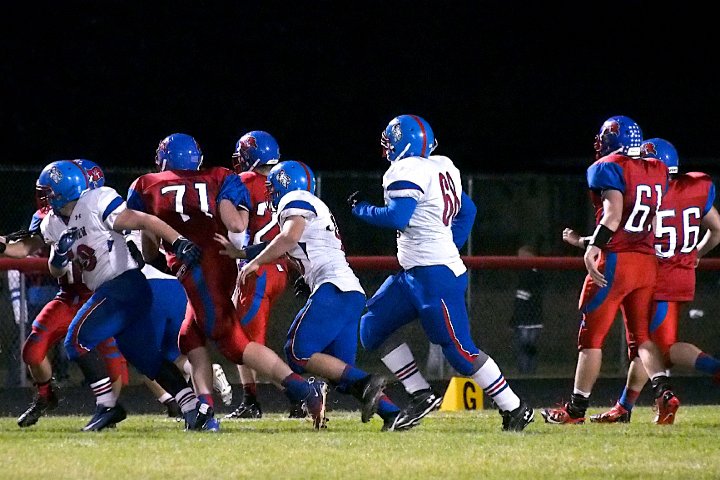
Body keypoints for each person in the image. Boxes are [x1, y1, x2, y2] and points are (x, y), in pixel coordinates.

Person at [126, 133, 327, 429]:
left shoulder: (145, 184)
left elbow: (149, 252)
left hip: (198, 267)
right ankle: (205, 408)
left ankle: (303, 390)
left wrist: (157, 231)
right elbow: (236, 225)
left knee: (235, 345)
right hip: (220, 262)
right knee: (189, 337)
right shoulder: (220, 176)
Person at [349, 114, 534, 431]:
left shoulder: (406, 170)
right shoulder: (441, 166)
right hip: (413, 274)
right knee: (371, 327)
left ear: (404, 143)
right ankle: (421, 394)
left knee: (460, 352)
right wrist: (451, 244)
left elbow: (397, 217)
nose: (387, 147)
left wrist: (361, 209)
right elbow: (468, 210)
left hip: (436, 278)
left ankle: (515, 408)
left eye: (391, 140)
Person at [217, 160, 411, 431]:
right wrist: (243, 253)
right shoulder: (312, 204)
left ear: (285, 184)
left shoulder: (295, 199)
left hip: (334, 288)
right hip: (350, 292)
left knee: (297, 352)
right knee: (342, 375)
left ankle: (367, 382)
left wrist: (255, 263)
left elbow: (289, 237)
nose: (270, 193)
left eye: (272, 187)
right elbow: (292, 243)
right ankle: (393, 414)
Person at [35, 159, 210, 431]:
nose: (45, 197)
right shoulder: (52, 224)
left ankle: (107, 406)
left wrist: (178, 241)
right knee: (146, 358)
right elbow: (55, 270)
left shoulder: (96, 201)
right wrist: (59, 254)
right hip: (114, 291)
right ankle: (191, 408)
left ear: (63, 190)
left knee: (76, 340)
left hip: (125, 284)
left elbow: (144, 219)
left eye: (48, 191)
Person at [541, 115, 680, 425]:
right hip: (646, 262)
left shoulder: (607, 166)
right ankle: (665, 393)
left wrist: (593, 247)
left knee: (590, 339)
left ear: (611, 140)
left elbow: (614, 215)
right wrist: (586, 241)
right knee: (641, 338)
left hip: (616, 262)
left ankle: (576, 409)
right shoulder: (657, 168)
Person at [589, 138, 720, 423]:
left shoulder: (649, 195)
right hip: (682, 275)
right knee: (646, 346)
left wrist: (587, 243)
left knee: (661, 349)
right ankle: (624, 407)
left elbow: (622, 229)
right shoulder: (695, 187)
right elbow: (717, 229)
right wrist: (696, 254)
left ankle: (714, 369)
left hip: (657, 276)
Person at [1, 160, 129, 428]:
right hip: (69, 296)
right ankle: (45, 396)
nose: (46, 198)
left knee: (120, 359)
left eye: (51, 191)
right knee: (33, 351)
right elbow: (23, 248)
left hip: (100, 294)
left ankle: (163, 401)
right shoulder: (49, 219)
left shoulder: (101, 211)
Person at [222, 130, 294, 420]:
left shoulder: (244, 181)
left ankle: (301, 392)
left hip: (256, 269)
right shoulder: (287, 180)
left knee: (245, 345)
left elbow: (237, 231)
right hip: (280, 268)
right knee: (246, 341)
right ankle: (254, 399)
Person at [511, 245, 544, 375]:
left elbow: (525, 298)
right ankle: (525, 373)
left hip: (532, 318)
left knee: (527, 347)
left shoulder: (534, 274)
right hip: (523, 319)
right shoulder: (523, 274)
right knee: (522, 347)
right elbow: (520, 300)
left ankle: (528, 373)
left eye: (522, 256)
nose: (519, 258)